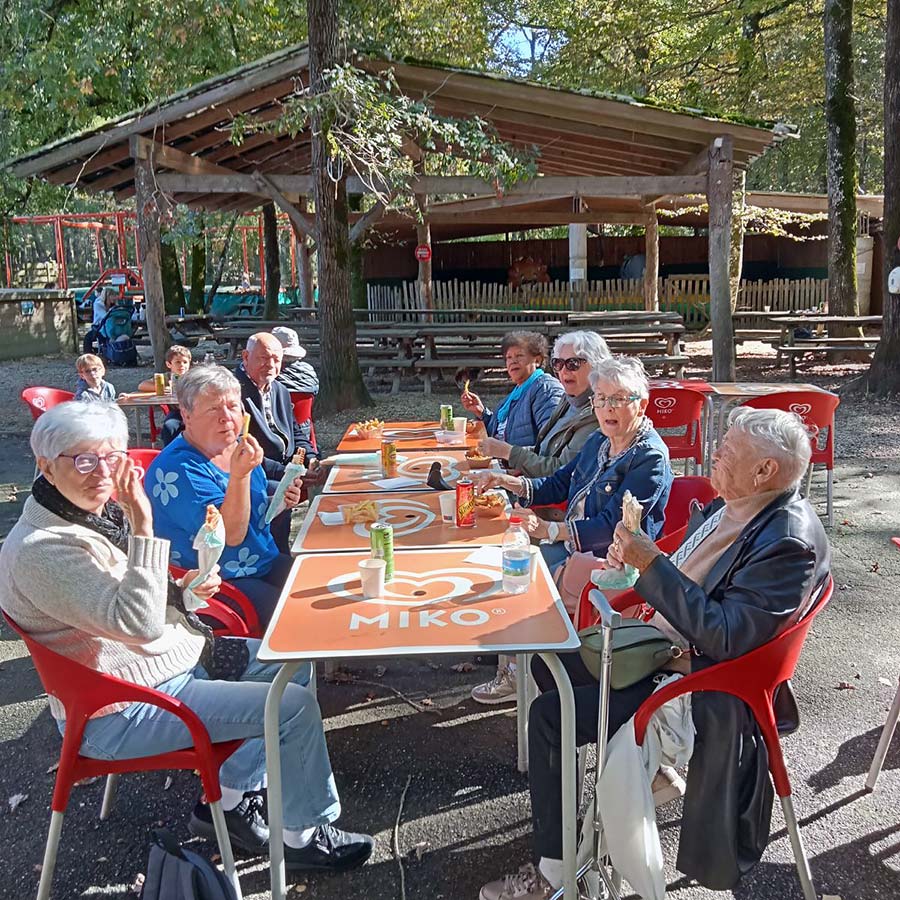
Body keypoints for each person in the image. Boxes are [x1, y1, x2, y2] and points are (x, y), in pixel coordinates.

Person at [0, 401, 373, 872]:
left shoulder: (83, 515)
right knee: (290, 709)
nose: (101, 473)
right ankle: (301, 837)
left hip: (167, 664)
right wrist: (143, 524)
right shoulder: (41, 549)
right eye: (83, 460)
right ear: (45, 467)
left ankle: (235, 800)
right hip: (125, 708)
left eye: (111, 458)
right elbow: (138, 623)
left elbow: (120, 601)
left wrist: (182, 592)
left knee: (292, 661)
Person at [478, 407, 831, 900]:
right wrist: (634, 564)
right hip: (667, 647)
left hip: (702, 684)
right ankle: (609, 797)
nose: (714, 452)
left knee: (549, 715)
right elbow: (682, 568)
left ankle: (554, 872)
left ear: (765, 470)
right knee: (546, 661)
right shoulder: (747, 504)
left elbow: (725, 638)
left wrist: (650, 565)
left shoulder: (787, 541)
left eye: (728, 449)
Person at [469, 356, 672, 705]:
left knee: (523, 575)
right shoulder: (600, 440)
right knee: (505, 562)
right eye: (601, 398)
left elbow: (614, 529)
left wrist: (550, 530)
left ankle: (524, 673)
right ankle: (515, 665)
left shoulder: (650, 457)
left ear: (642, 403)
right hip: (575, 546)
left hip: (611, 563)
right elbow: (558, 483)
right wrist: (506, 481)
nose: (607, 408)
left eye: (618, 399)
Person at [148, 365, 301, 625]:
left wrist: (279, 501)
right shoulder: (178, 469)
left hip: (261, 561)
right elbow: (229, 536)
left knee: (319, 586)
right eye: (213, 409)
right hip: (218, 583)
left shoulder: (235, 448)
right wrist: (240, 476)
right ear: (186, 415)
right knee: (296, 619)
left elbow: (251, 510)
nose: (227, 417)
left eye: (232, 406)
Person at [477, 331, 609, 485]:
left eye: (573, 363)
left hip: (546, 498)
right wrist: (506, 467)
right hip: (526, 480)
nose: (563, 371)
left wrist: (508, 454)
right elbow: (545, 449)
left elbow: (561, 473)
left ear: (596, 365)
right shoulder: (568, 399)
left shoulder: (597, 413)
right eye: (558, 363)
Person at [236, 332, 319, 552]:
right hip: (254, 472)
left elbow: (297, 432)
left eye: (277, 360)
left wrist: (310, 459)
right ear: (246, 357)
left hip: (288, 468)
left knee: (324, 478)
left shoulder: (280, 389)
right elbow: (237, 450)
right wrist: (287, 473)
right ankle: (274, 556)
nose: (271, 365)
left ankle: (312, 548)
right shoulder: (234, 394)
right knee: (280, 490)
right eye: (264, 358)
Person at [460, 331, 564, 447]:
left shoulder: (546, 389)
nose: (513, 361)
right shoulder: (517, 392)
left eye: (519, 355)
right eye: (509, 357)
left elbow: (553, 444)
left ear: (537, 360)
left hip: (517, 464)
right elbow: (500, 431)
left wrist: (508, 455)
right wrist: (481, 412)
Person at [138, 345, 192, 446]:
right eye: (177, 362)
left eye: (185, 362)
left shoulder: (194, 377)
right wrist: (164, 388)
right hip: (176, 412)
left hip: (194, 412)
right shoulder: (166, 378)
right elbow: (142, 385)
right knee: (169, 427)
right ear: (169, 364)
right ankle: (170, 454)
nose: (182, 365)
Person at [82, 287, 116, 354]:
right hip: (99, 327)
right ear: (107, 296)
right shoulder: (98, 304)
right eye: (113, 295)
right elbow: (104, 316)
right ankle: (88, 354)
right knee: (88, 337)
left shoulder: (114, 305)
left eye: (114, 295)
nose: (115, 297)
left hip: (111, 327)